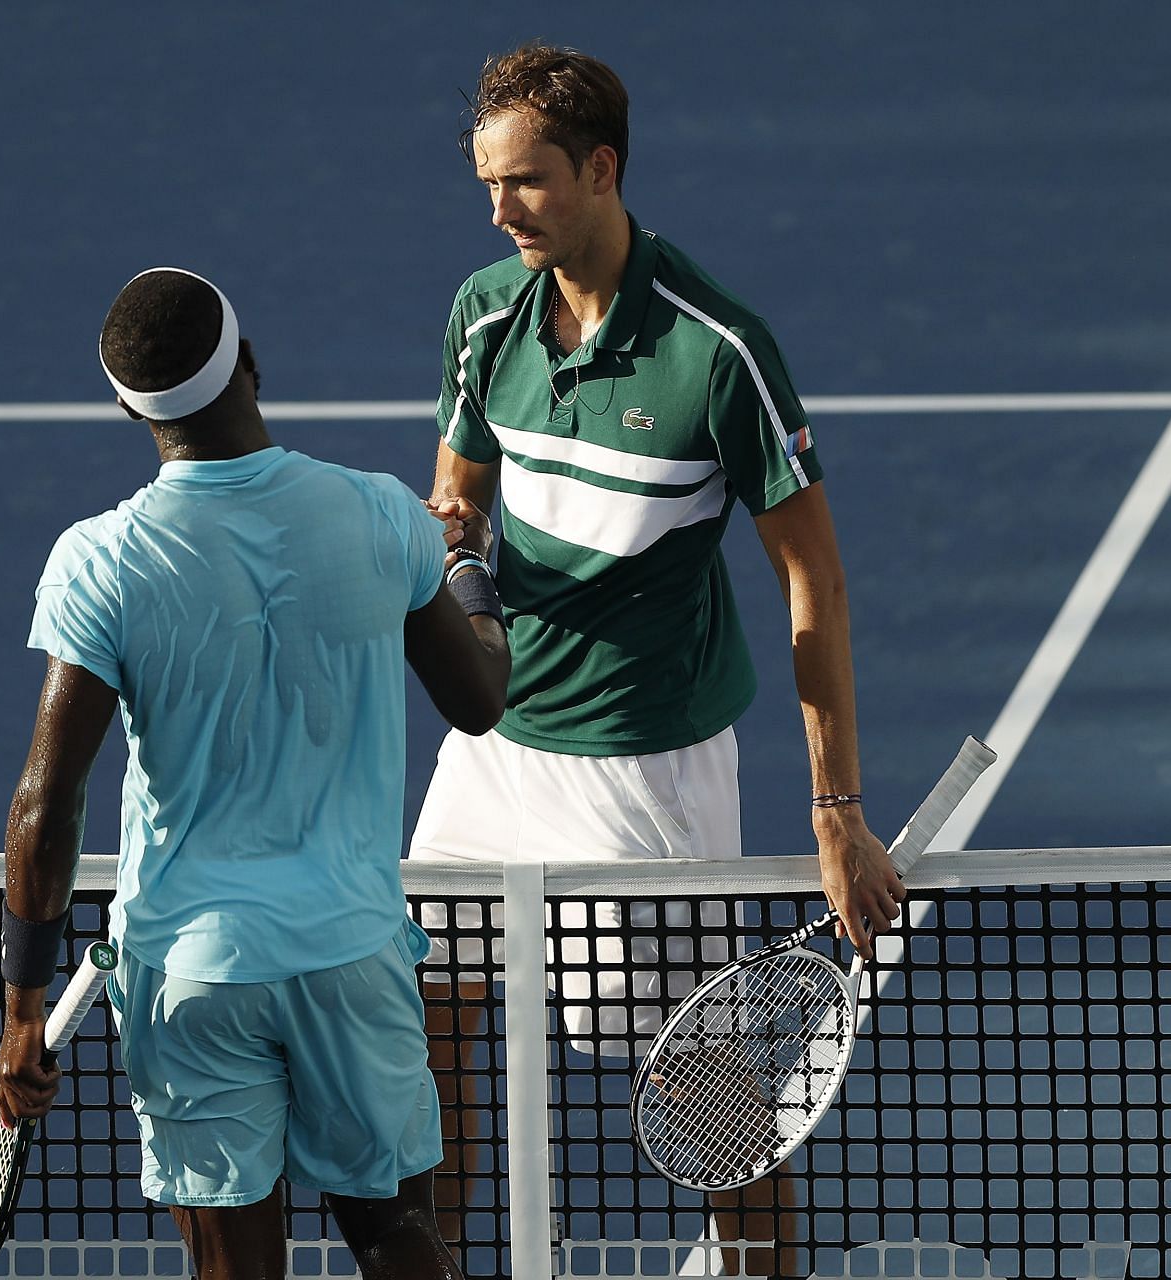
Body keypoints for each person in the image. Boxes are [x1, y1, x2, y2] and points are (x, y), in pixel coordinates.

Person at [409, 44, 907, 1276]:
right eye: (486, 183)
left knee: (700, 1092)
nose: (499, 209)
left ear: (602, 168)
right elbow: (456, 490)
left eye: (525, 182)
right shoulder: (484, 312)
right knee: (418, 1018)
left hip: (647, 770)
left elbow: (814, 578)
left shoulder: (717, 348)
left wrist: (836, 805)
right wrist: (456, 550)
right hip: (496, 746)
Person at [0, 267, 511, 1280]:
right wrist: (467, 563)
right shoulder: (380, 515)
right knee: (402, 1240)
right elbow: (481, 697)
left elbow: (44, 804)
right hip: (352, 957)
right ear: (251, 365)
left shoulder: (101, 560)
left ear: (130, 408)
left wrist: (22, 1010)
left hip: (194, 975)